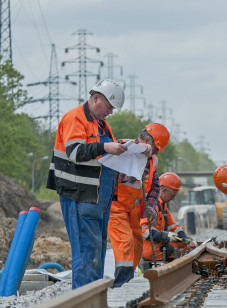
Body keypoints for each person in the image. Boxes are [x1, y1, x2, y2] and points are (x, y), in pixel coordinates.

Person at [47, 79, 150, 289]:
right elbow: (75, 152)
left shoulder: (102, 125)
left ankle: (93, 298)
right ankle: (84, 300)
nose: (111, 112)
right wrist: (106, 147)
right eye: (109, 107)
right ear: (96, 98)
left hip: (99, 200)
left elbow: (105, 153)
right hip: (79, 196)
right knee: (86, 253)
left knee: (96, 252)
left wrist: (134, 149)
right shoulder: (75, 118)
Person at [109, 123, 169, 287]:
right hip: (116, 207)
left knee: (136, 245)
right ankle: (121, 284)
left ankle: (128, 280)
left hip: (134, 210)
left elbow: (155, 186)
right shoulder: (124, 147)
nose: (156, 152)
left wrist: (150, 206)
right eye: (156, 148)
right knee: (125, 242)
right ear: (147, 140)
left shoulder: (153, 161)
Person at [139, 172, 197, 271]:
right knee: (179, 249)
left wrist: (185, 239)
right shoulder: (152, 206)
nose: (173, 199)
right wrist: (165, 235)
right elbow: (144, 231)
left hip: (159, 244)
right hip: (149, 248)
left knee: (186, 244)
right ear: (164, 191)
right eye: (172, 196)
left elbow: (174, 226)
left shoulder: (163, 207)